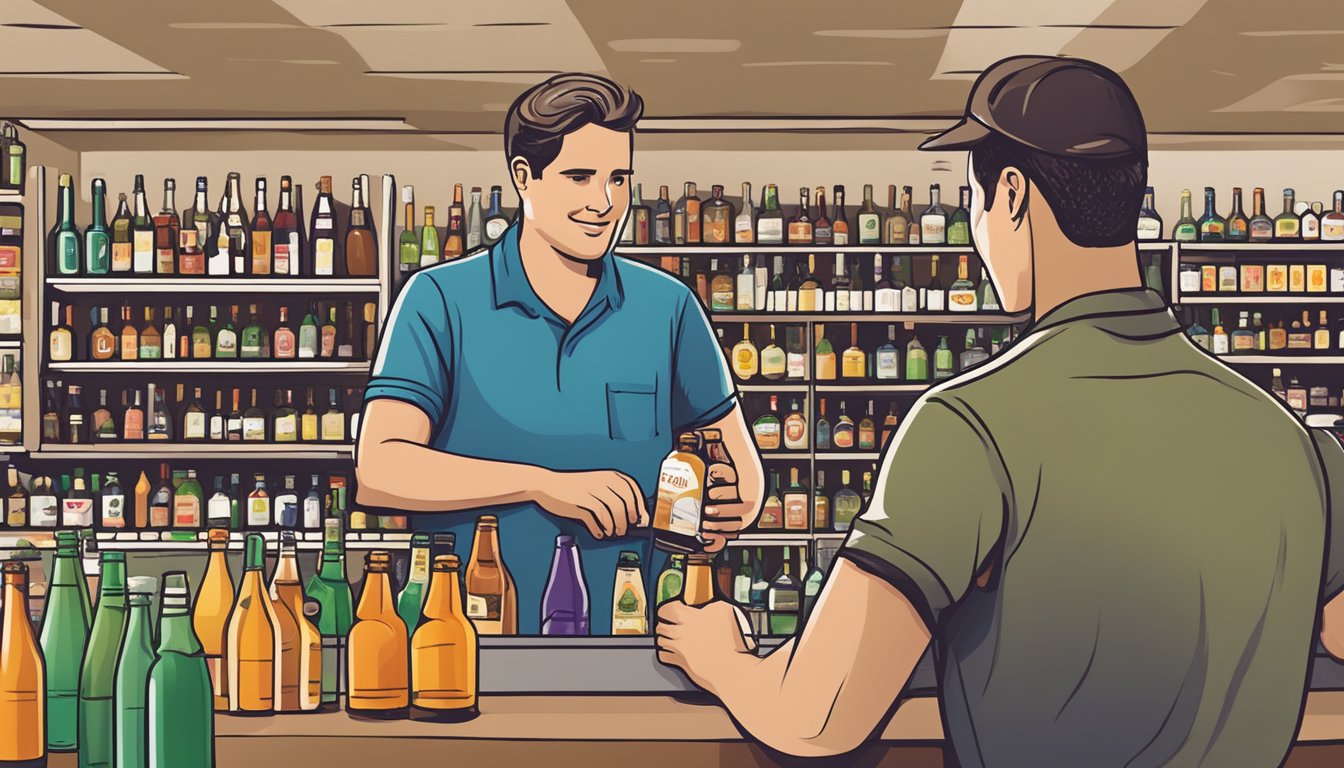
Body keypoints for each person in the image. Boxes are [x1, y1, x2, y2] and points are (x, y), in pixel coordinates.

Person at [656, 55, 1344, 766]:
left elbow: (817, 716)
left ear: (1012, 195)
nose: (977, 228)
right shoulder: (1299, 446)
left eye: (975, 203)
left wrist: (723, 658)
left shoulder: (969, 429)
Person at [356, 73, 763, 635]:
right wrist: (541, 483)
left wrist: (726, 507)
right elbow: (379, 469)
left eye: (618, 178)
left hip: (644, 642)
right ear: (525, 178)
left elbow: (744, 477)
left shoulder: (669, 307)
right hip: (466, 639)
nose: (605, 203)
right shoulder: (439, 300)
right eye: (580, 177)